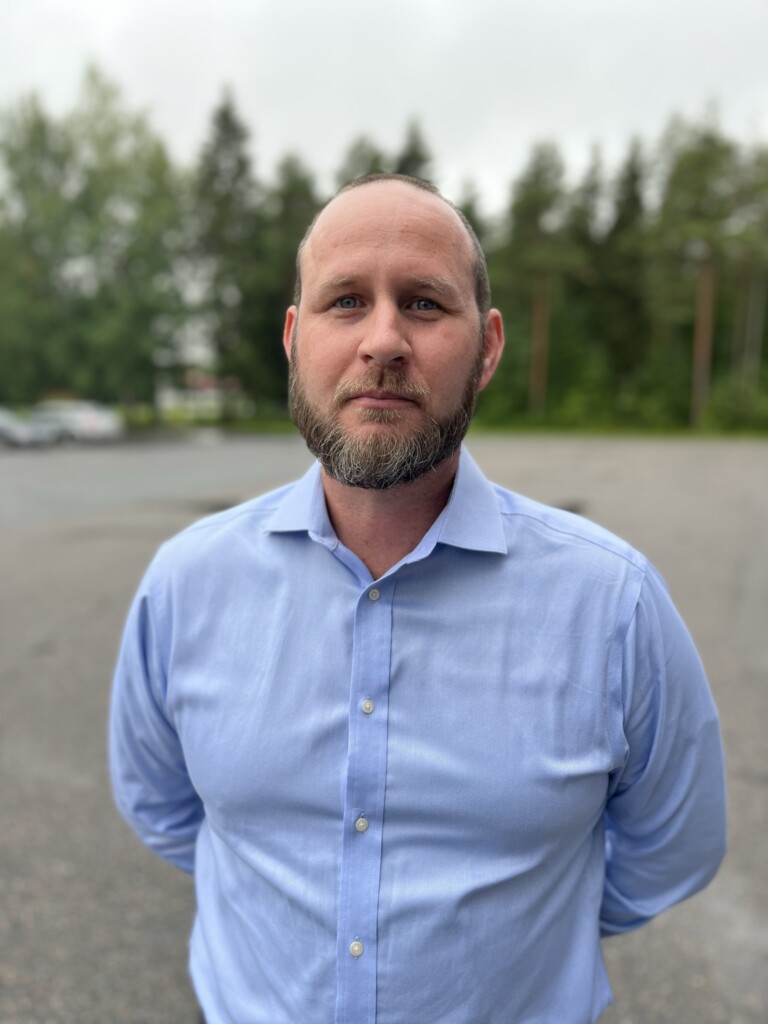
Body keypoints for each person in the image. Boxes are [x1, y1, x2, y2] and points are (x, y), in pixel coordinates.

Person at [109, 173, 727, 1024]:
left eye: (426, 304)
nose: (384, 341)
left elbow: (674, 845)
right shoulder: (186, 584)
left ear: (490, 345)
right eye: (346, 301)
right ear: (295, 337)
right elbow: (164, 808)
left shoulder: (610, 602)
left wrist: (534, 935)